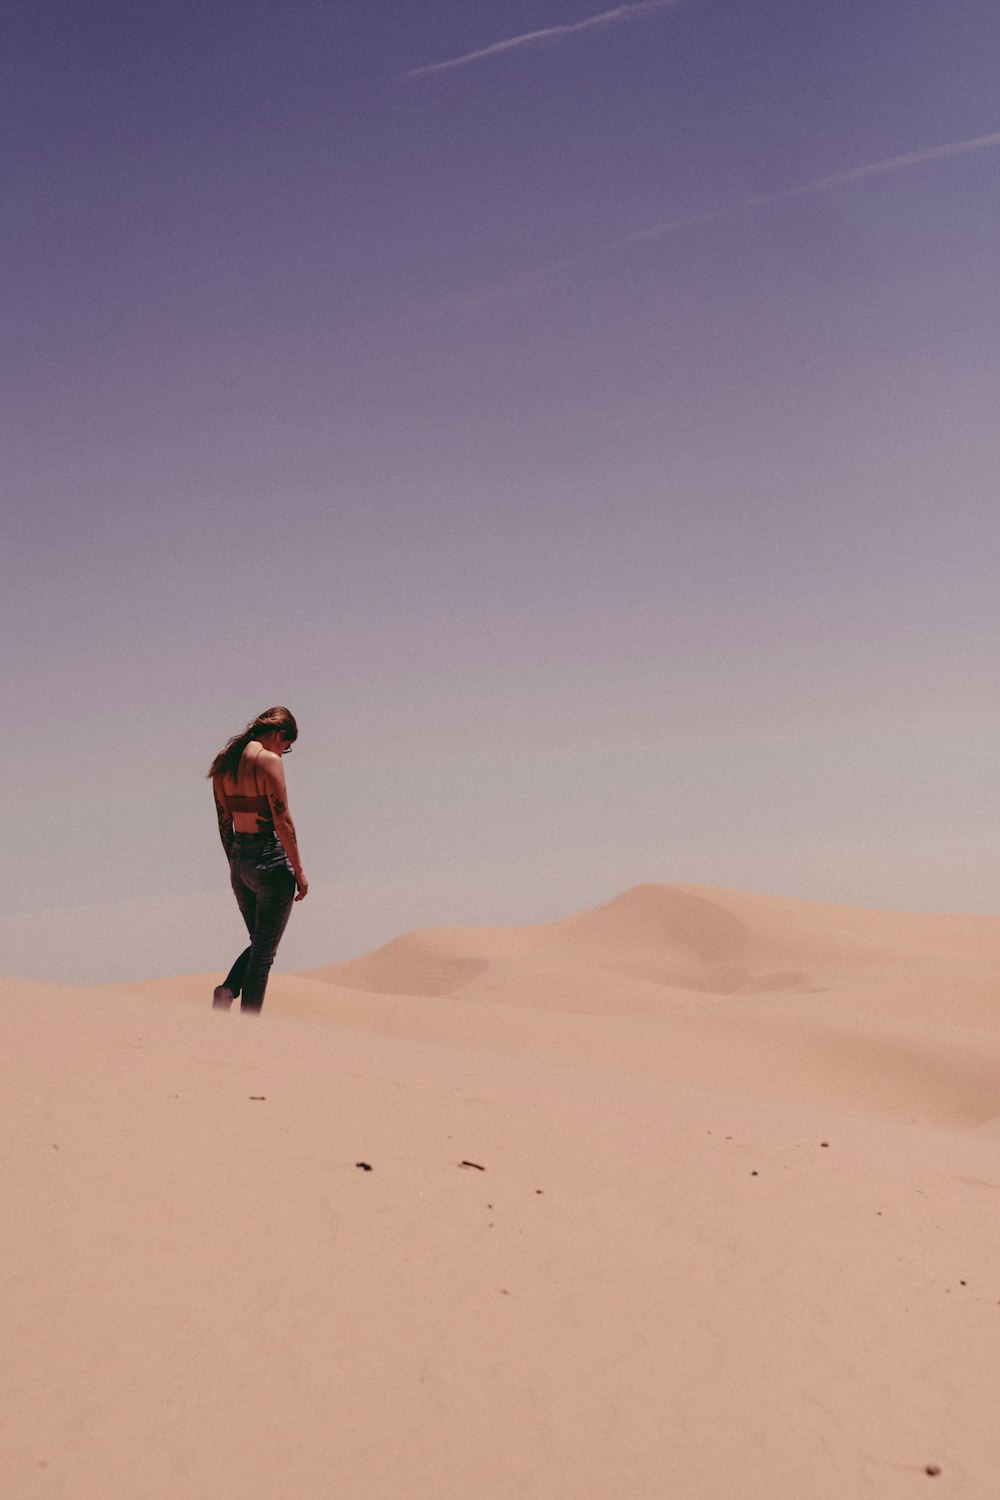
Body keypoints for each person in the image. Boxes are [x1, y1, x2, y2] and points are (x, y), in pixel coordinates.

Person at [207, 706, 308, 1013]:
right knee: (263, 955)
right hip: (270, 862)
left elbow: (224, 822)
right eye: (286, 746)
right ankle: (249, 1030)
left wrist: (236, 867)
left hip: (239, 861)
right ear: (279, 735)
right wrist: (300, 873)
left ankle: (227, 990)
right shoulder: (269, 761)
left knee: (260, 945)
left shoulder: (225, 761)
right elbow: (283, 822)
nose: (284, 751)